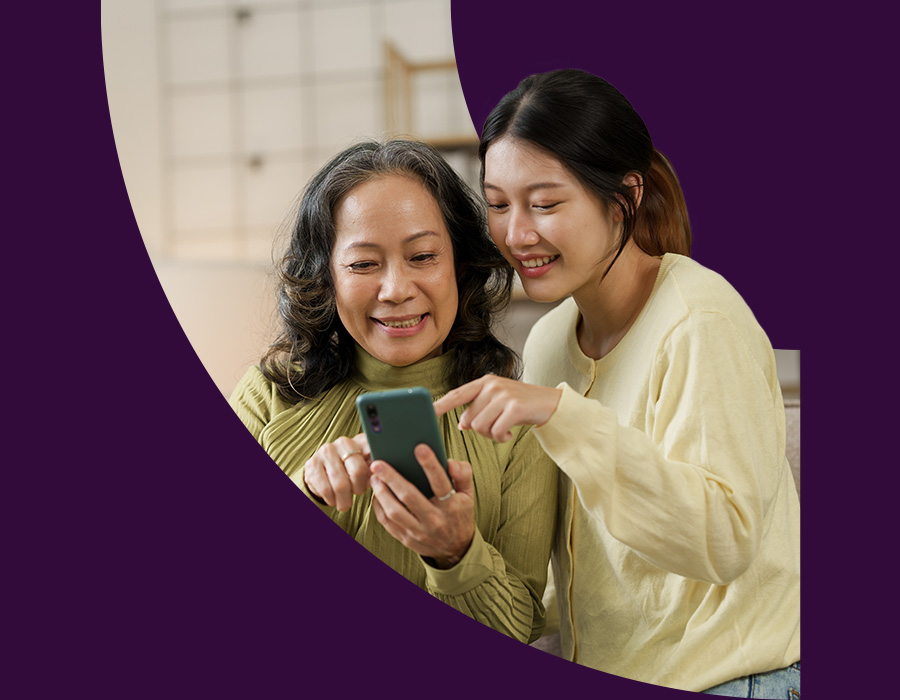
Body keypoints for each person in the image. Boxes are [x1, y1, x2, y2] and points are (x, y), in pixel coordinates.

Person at [433, 69, 801, 695]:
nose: (516, 234)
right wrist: (457, 543)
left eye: (545, 204)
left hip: (732, 679)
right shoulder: (550, 339)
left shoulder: (700, 319)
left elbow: (724, 540)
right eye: (497, 204)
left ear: (623, 196)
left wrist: (561, 414)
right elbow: (582, 568)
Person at [229, 139, 557, 644]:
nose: (396, 289)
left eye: (423, 256)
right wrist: (307, 495)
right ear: (327, 277)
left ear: (461, 267)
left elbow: (519, 630)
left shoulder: (516, 424)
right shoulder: (268, 396)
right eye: (363, 265)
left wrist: (456, 553)